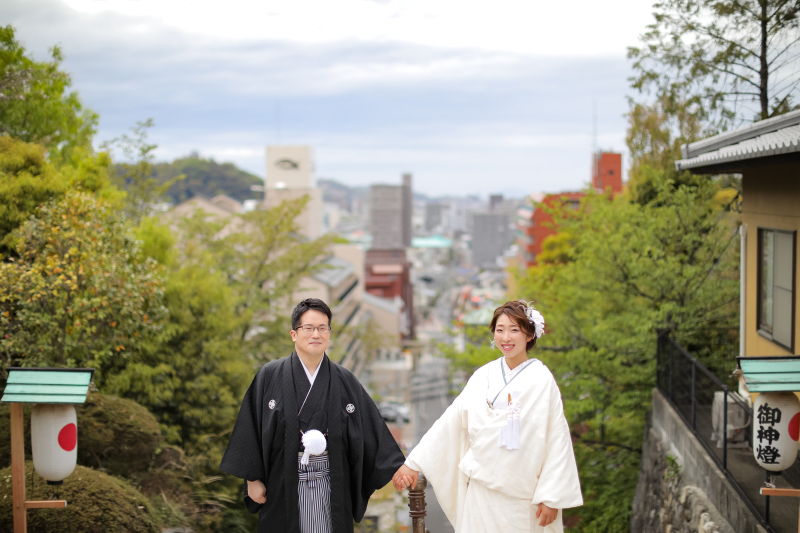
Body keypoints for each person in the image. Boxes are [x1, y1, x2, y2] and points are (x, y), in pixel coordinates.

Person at [392, 300, 582, 533]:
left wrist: (551, 496)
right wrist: (413, 462)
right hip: (481, 494)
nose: (506, 337)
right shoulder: (483, 375)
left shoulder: (542, 380)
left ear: (530, 334)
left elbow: (557, 438)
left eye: (514, 330)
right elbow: (451, 422)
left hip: (523, 497)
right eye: (500, 330)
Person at [220, 298, 406, 533]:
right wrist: (252, 479)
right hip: (283, 484)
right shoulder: (269, 375)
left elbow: (372, 430)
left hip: (332, 483)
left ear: (329, 334)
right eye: (308, 328)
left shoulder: (345, 380)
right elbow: (250, 429)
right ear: (294, 334)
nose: (316, 334)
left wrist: (399, 467)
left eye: (322, 328)